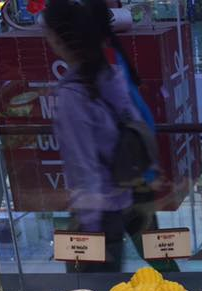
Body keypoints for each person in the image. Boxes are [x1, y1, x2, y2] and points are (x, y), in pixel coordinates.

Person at [44, 0, 141, 272]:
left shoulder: (72, 96)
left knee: (89, 290)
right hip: (126, 196)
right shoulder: (110, 76)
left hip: (99, 214)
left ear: (58, 39)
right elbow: (134, 123)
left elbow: (83, 169)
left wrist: (89, 228)